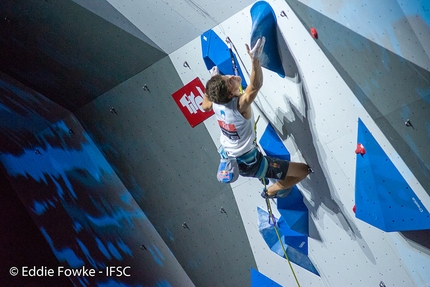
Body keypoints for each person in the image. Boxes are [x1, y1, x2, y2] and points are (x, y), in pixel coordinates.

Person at [202, 37, 311, 198]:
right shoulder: (240, 106)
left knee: (290, 170)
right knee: (303, 170)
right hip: (252, 164)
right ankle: (271, 191)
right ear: (231, 94)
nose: (231, 77)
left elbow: (205, 105)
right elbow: (255, 86)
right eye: (229, 82)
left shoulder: (216, 100)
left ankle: (269, 182)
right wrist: (255, 60)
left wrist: (213, 80)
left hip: (231, 156)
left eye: (226, 77)